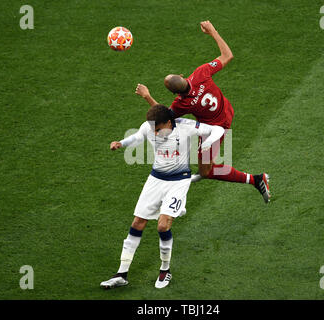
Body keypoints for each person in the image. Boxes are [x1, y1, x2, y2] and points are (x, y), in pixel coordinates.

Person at [135, 20, 271, 203]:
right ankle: (209, 170)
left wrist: (147, 96)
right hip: (227, 110)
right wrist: (213, 31)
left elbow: (163, 117)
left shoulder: (182, 104)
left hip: (214, 129)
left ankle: (256, 179)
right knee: (203, 164)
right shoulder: (201, 73)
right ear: (182, 76)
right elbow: (227, 55)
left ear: (175, 93)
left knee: (207, 171)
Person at [100, 104, 225, 289]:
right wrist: (121, 143)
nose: (155, 134)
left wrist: (206, 143)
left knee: (162, 225)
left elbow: (218, 129)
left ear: (168, 122)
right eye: (153, 130)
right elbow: (137, 136)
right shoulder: (149, 126)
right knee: (137, 223)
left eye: (158, 130)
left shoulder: (185, 126)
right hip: (155, 180)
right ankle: (121, 274)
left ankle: (165, 270)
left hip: (178, 181)